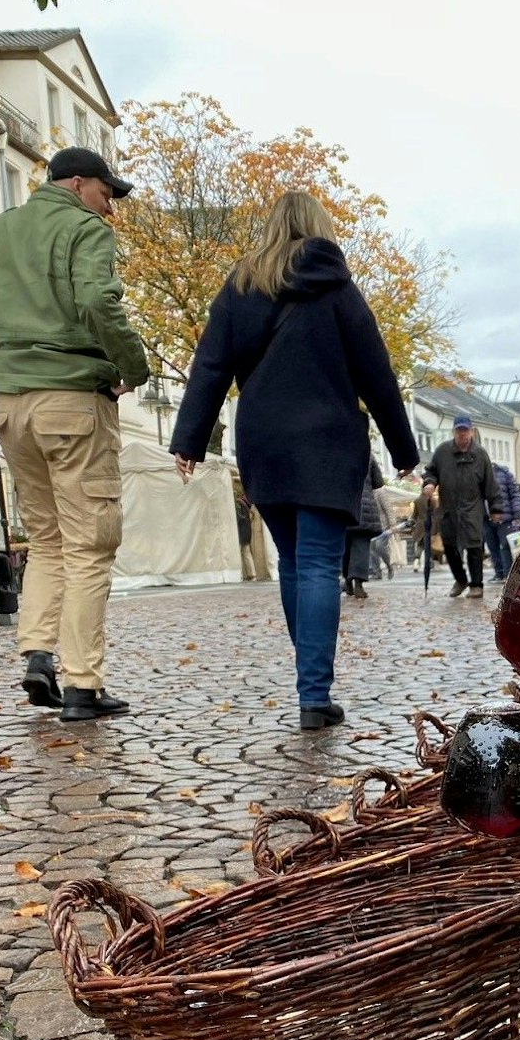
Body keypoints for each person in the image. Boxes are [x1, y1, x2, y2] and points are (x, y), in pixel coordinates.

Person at [169, 190, 418, 730]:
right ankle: (314, 694)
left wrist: (189, 440)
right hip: (327, 442)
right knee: (320, 565)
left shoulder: (241, 286)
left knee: (292, 562)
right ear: (319, 226)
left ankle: (310, 688)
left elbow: (209, 365)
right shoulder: (339, 290)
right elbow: (377, 375)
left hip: (264, 441)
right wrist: (404, 451)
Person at [0, 146, 150, 723]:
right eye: (106, 193)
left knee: (47, 539)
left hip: (10, 406)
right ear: (77, 184)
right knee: (90, 542)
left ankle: (38, 653)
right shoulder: (85, 230)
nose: (110, 207)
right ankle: (83, 685)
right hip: (72, 397)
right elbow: (98, 299)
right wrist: (133, 366)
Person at [423, 417, 501, 599]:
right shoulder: (443, 451)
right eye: (459, 431)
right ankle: (460, 580)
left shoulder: (480, 454)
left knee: (474, 547)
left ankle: (476, 585)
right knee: (450, 547)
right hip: (448, 509)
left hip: (472, 508)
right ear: (454, 432)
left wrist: (496, 508)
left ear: (472, 432)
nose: (462, 434)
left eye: (465, 431)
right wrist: (429, 483)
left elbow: (490, 483)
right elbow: (431, 471)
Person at [344, 457, 385, 599]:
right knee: (361, 546)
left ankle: (347, 580)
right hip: (365, 509)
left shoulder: (336, 449)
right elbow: (378, 482)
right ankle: (358, 584)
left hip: (344, 505)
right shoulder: (368, 455)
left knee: (346, 546)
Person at [485, 460, 520, 579]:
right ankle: (499, 572)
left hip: (504, 517)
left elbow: (514, 495)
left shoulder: (505, 473)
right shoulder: (479, 474)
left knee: (505, 546)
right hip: (486, 518)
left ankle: (507, 573)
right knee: (492, 547)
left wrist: (517, 515)